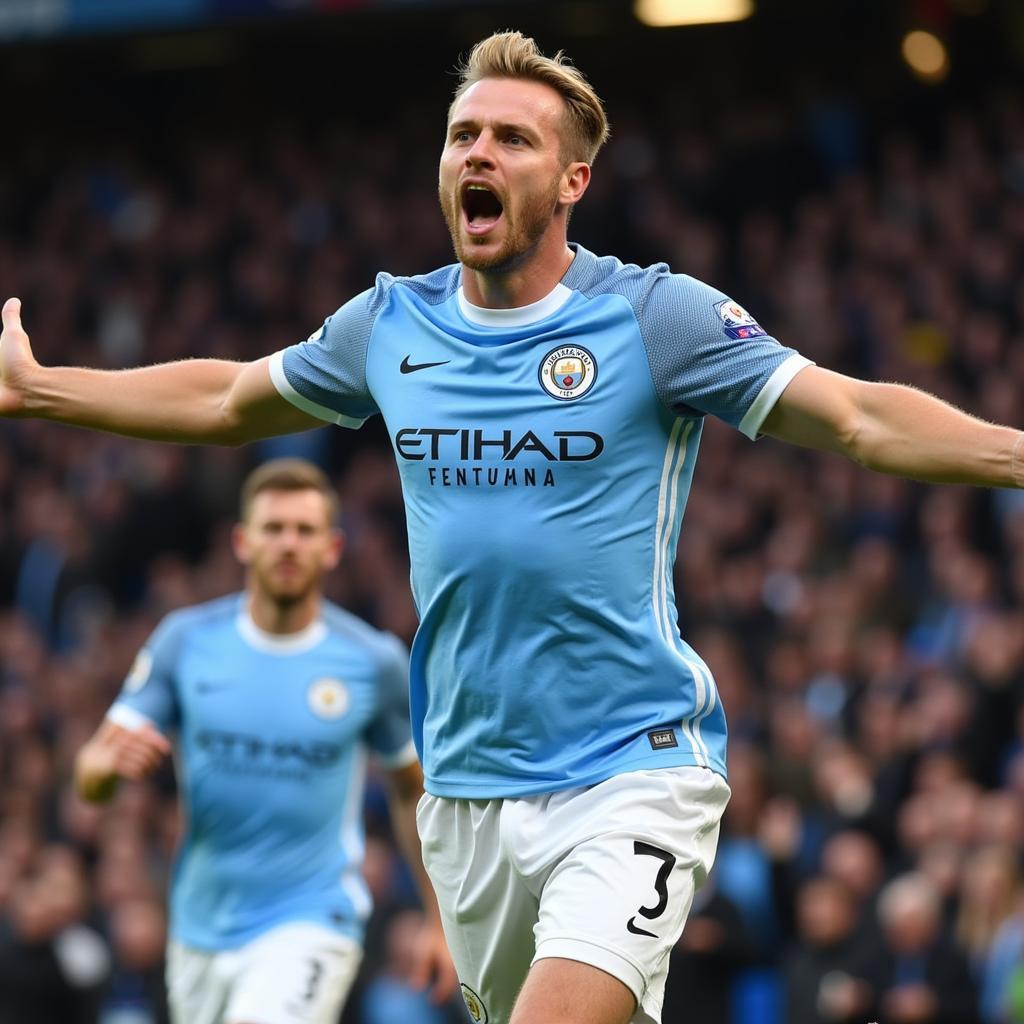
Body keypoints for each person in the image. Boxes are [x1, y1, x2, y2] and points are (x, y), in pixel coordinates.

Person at [3, 29, 1024, 1024]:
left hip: (633, 766)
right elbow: (228, 400)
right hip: (467, 791)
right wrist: (44, 390)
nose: (476, 154)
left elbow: (854, 416)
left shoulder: (653, 318)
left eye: (511, 139)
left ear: (573, 181)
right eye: (462, 136)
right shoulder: (389, 323)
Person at [72, 459, 455, 1024]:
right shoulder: (186, 642)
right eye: (273, 528)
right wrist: (102, 771)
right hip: (200, 926)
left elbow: (410, 792)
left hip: (312, 918)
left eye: (304, 531)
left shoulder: (371, 662)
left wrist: (436, 917)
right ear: (242, 541)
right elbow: (91, 776)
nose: (288, 544)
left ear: (332, 548)